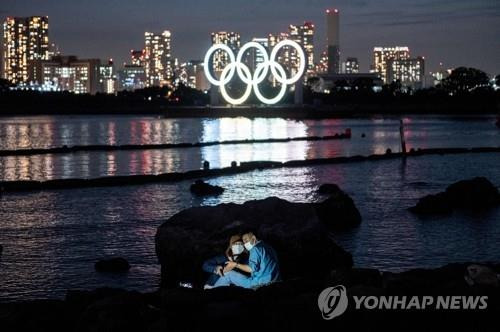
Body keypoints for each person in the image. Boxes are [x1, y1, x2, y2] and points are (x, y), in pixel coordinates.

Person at [212, 231, 281, 289]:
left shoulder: (254, 249)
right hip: (274, 280)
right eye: (243, 241)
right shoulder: (269, 247)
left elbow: (251, 269)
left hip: (259, 283)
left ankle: (212, 292)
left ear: (253, 238)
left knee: (228, 275)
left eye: (246, 240)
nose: (245, 243)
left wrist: (235, 265)